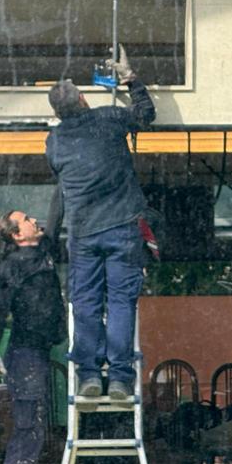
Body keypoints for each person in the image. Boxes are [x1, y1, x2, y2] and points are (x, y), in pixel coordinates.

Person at [44, 46, 155, 401]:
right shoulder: (109, 119)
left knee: (87, 304)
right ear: (81, 98)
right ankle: (121, 378)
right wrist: (129, 78)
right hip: (122, 226)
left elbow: (61, 180)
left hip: (84, 232)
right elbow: (146, 115)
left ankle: (89, 375)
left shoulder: (55, 141)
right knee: (121, 302)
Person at [0, 209, 66, 464]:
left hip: (37, 353)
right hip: (26, 355)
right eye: (27, 219)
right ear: (17, 235)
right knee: (28, 430)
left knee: (32, 430)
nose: (35, 220)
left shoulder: (44, 252)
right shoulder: (14, 264)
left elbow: (55, 218)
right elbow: (0, 308)